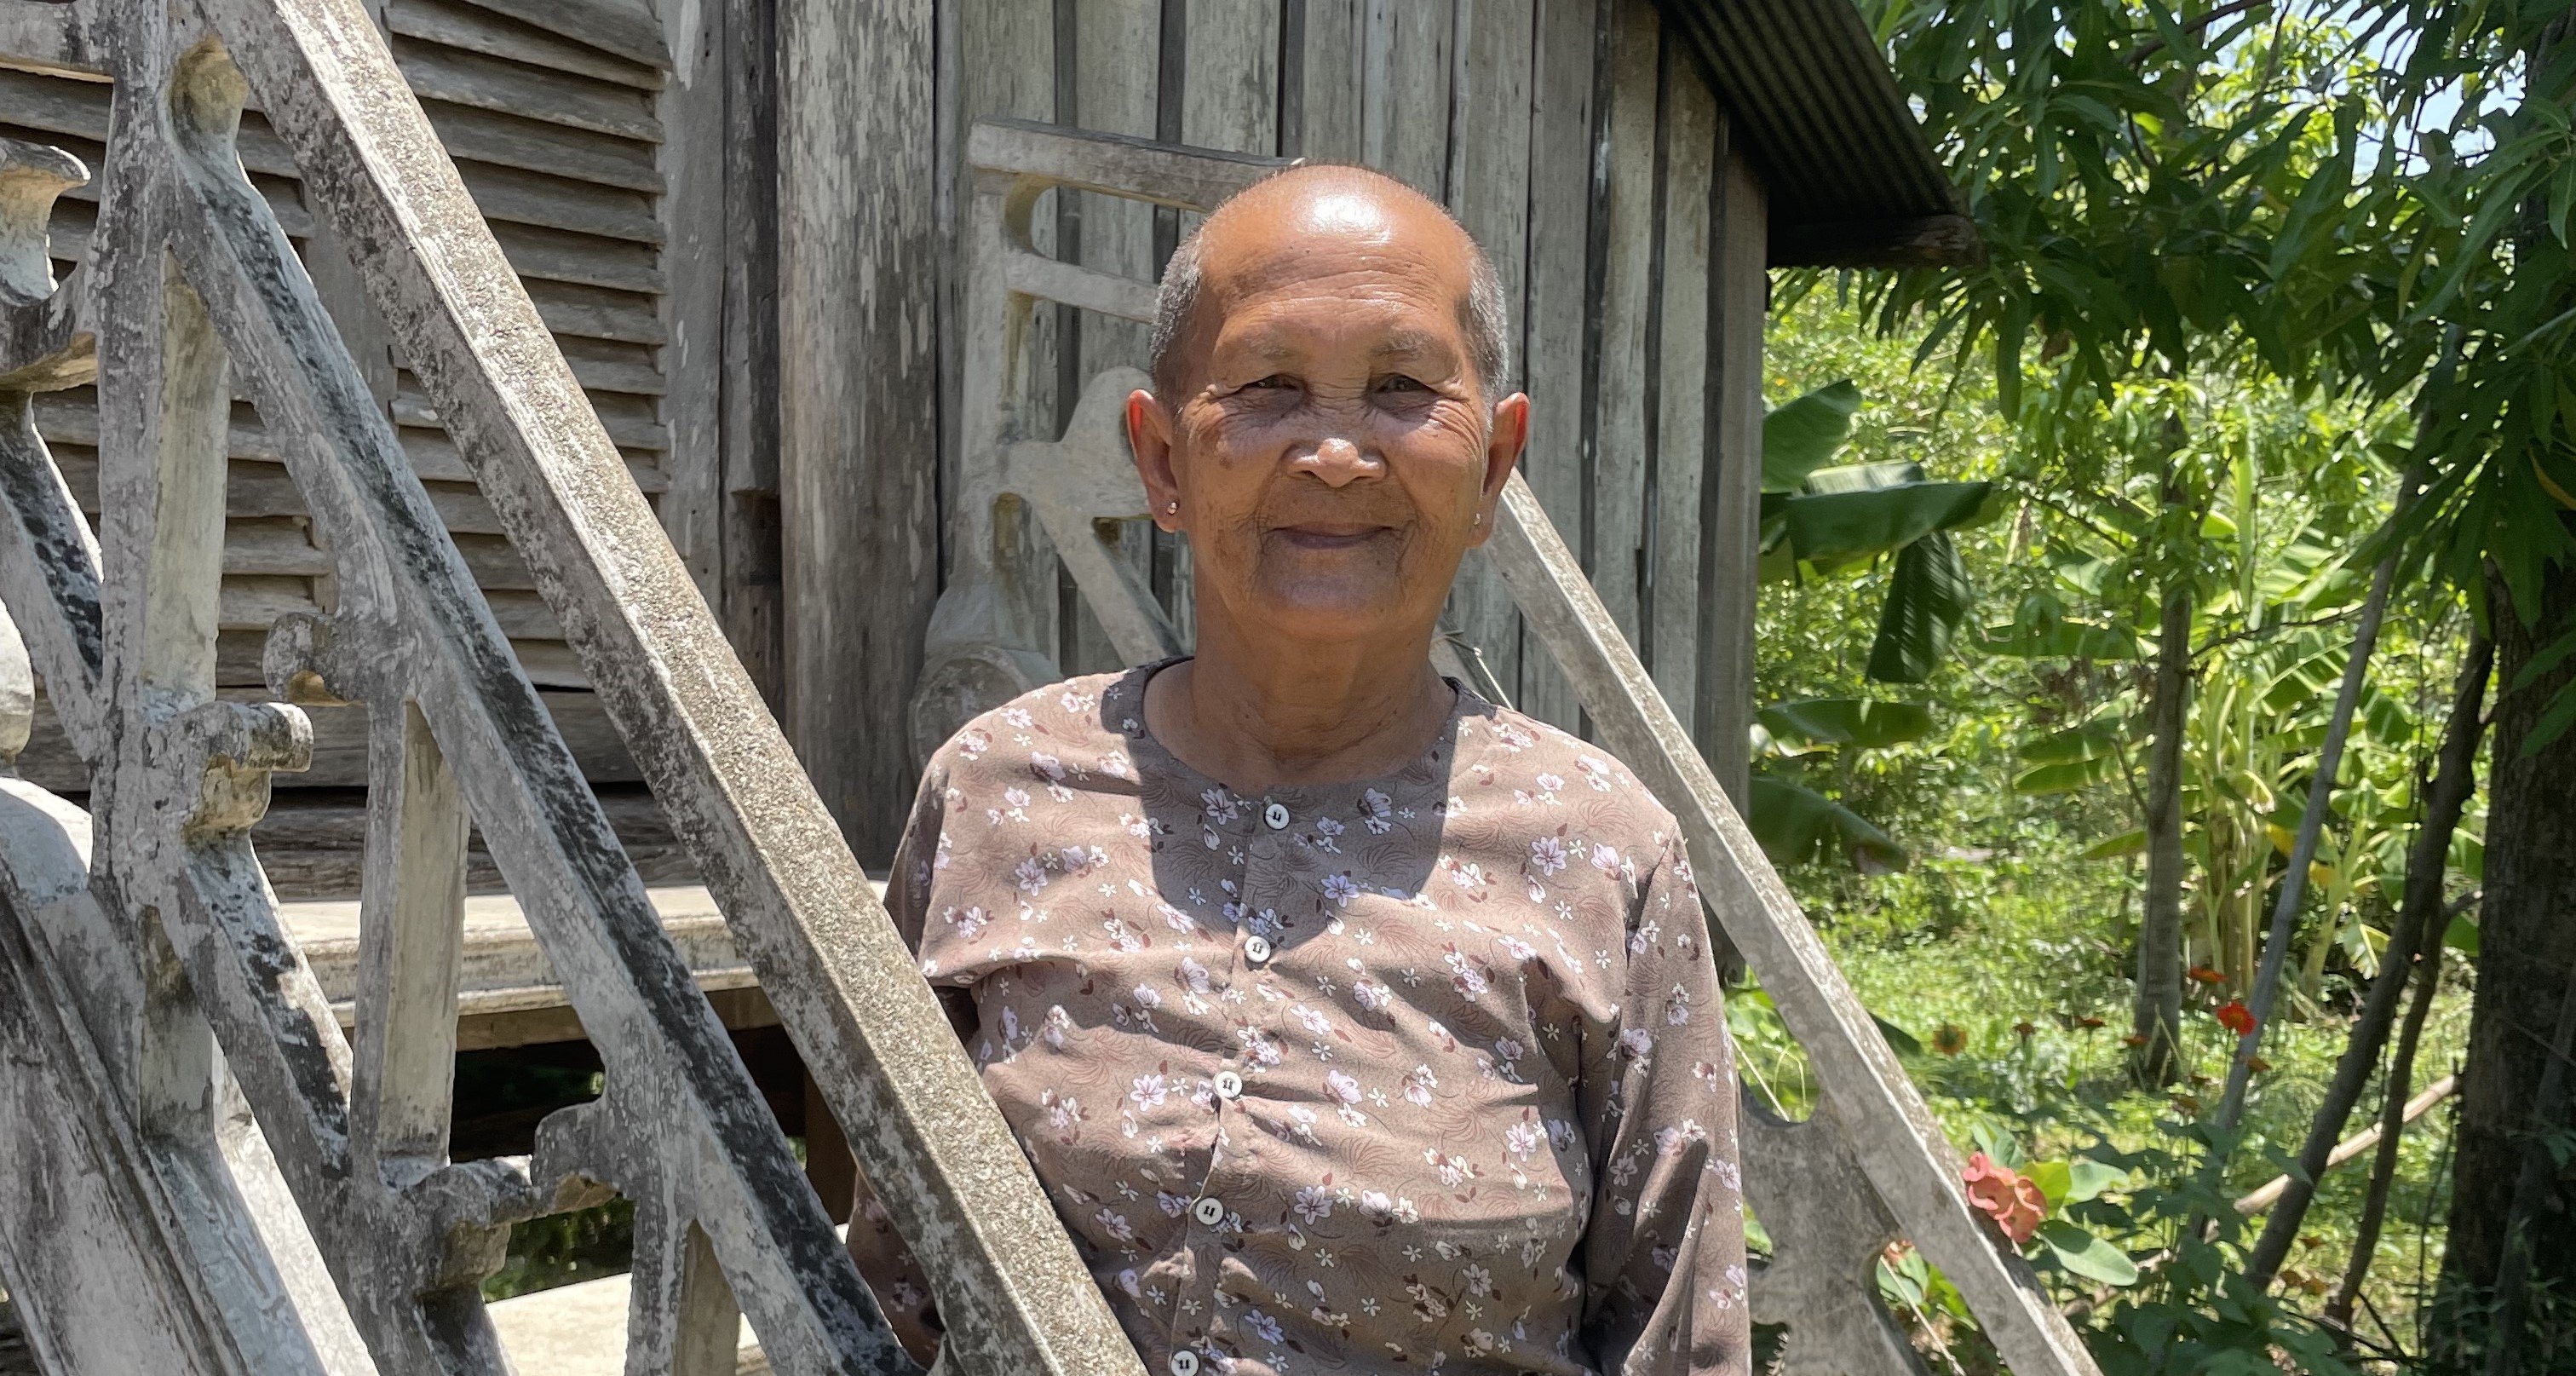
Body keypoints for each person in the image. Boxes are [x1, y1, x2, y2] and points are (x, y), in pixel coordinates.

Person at [848, 163, 1749, 1376]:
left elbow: (1678, 1339)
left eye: (1402, 389)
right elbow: (894, 1287)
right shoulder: (999, 795)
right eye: (1269, 386)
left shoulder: (1597, 854)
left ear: (1493, 465)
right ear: (1162, 459)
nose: (1334, 452)